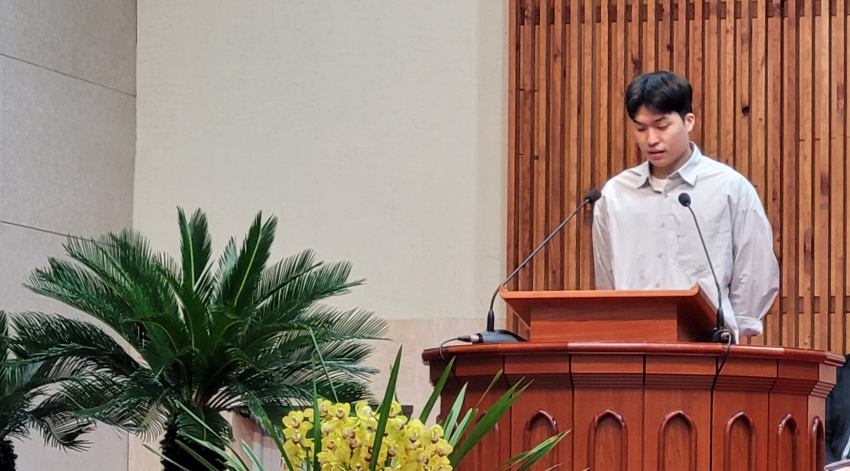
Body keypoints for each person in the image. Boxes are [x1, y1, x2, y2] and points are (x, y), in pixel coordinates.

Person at [591, 70, 779, 341]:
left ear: (688, 121)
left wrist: (731, 328)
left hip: (707, 345)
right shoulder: (615, 195)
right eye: (641, 128)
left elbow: (754, 269)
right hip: (631, 342)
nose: (651, 139)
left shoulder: (729, 188)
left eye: (662, 126)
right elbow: (606, 276)